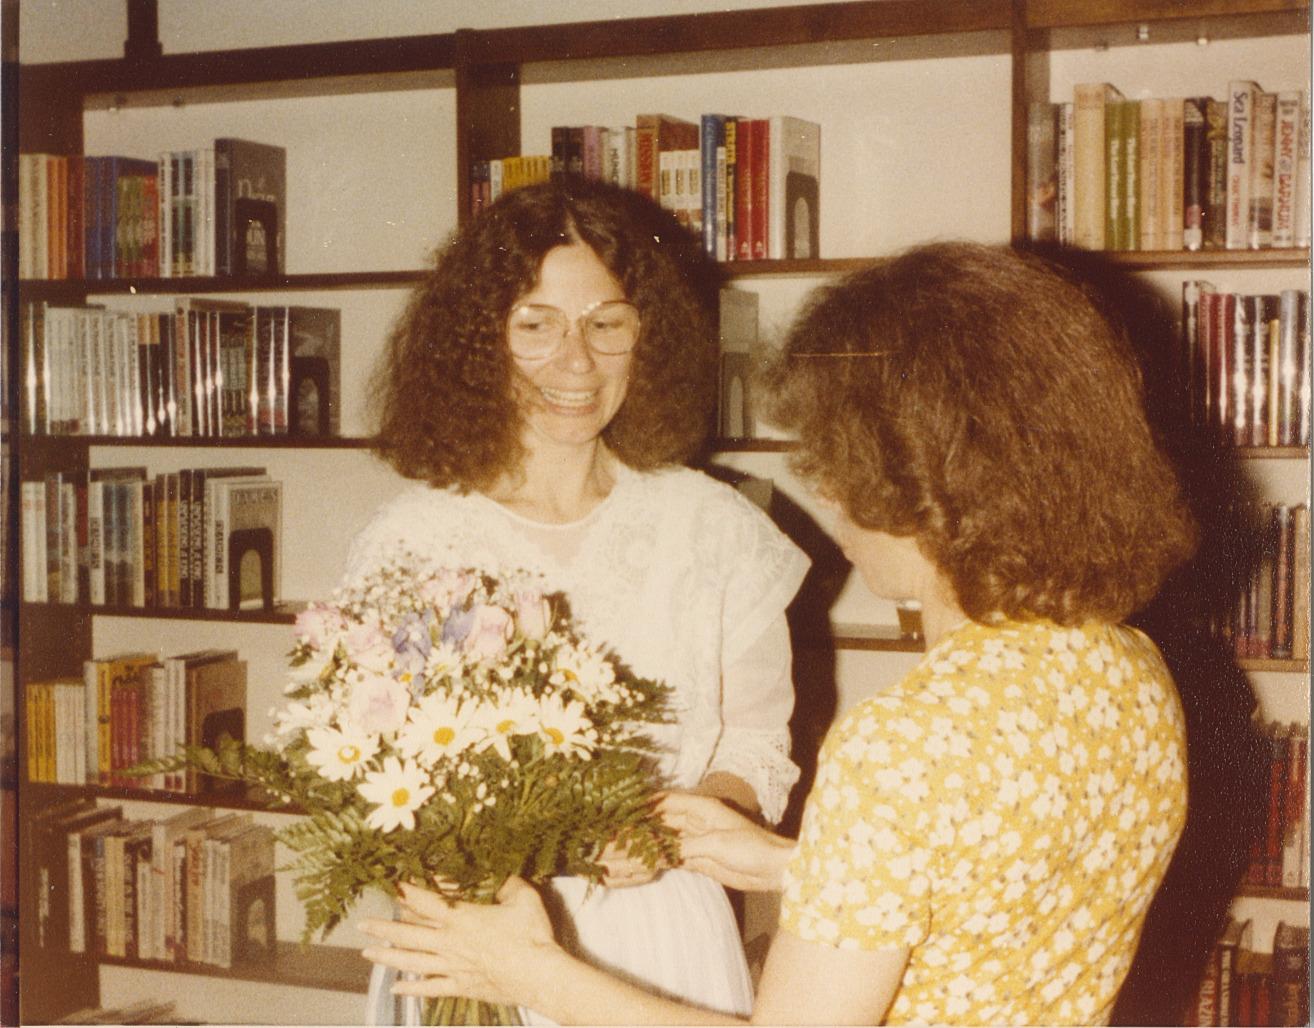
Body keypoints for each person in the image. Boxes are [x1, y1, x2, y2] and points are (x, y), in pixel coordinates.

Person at [358, 241, 1199, 1025]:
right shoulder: (1128, 669)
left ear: (918, 479)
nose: (826, 494)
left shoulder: (903, 744)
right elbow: (992, 901)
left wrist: (531, 974)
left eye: (836, 460)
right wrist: (792, 864)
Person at [346, 177, 810, 1024]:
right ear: (481, 341)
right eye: (537, 326)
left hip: (660, 947)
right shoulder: (411, 540)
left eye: (607, 324)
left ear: (646, 337)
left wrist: (670, 827)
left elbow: (756, 746)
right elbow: (366, 780)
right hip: (471, 941)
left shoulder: (713, 527)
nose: (577, 362)